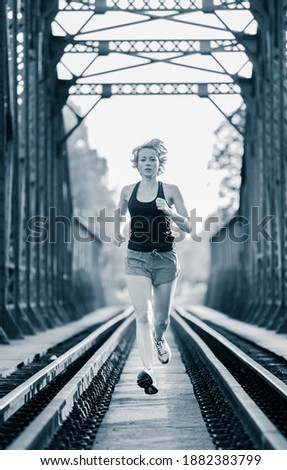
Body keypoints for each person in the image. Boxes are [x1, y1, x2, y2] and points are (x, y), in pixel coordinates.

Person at [114, 138, 191, 395]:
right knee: (142, 315)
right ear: (136, 164)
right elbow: (120, 211)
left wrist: (170, 212)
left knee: (161, 319)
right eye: (143, 159)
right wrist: (116, 231)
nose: (148, 163)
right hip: (136, 257)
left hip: (165, 258)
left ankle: (159, 340)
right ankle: (149, 370)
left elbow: (189, 226)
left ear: (160, 164)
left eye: (153, 159)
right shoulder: (127, 190)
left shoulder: (170, 190)